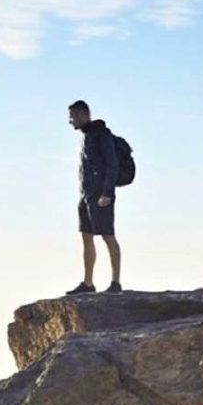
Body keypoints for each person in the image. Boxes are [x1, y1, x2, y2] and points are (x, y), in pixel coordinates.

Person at [65, 100, 122, 295]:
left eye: (72, 116)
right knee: (86, 237)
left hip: (101, 195)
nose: (70, 121)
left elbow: (112, 164)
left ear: (82, 115)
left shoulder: (101, 134)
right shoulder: (87, 136)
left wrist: (107, 192)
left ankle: (116, 282)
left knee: (108, 236)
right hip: (86, 195)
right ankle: (88, 283)